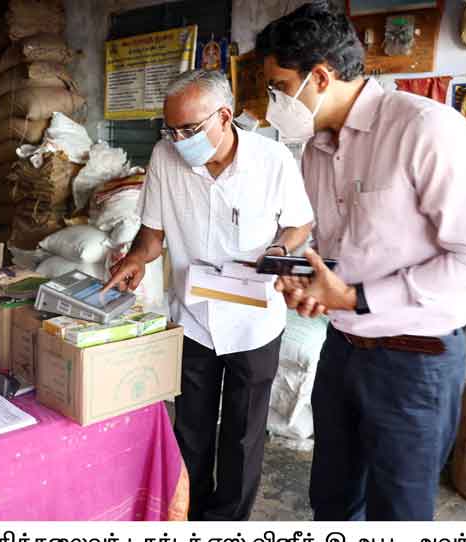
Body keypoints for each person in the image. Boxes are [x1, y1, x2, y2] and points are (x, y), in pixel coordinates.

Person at [256, 2, 466, 521]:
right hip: (343, 351)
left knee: (400, 511)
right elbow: (336, 242)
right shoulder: (315, 149)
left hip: (416, 363)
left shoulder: (426, 129)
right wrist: (308, 277)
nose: (271, 102)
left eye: (278, 87)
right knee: (334, 501)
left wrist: (358, 296)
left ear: (320, 76)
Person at [104, 69, 314, 520]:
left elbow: (300, 222)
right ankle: (189, 514)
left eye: (189, 129)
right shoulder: (164, 156)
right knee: (192, 429)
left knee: (242, 435)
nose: (179, 140)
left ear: (224, 115)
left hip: (254, 320)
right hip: (194, 317)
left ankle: (230, 521)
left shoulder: (273, 159)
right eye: (171, 130)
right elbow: (152, 233)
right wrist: (136, 260)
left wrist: (279, 248)